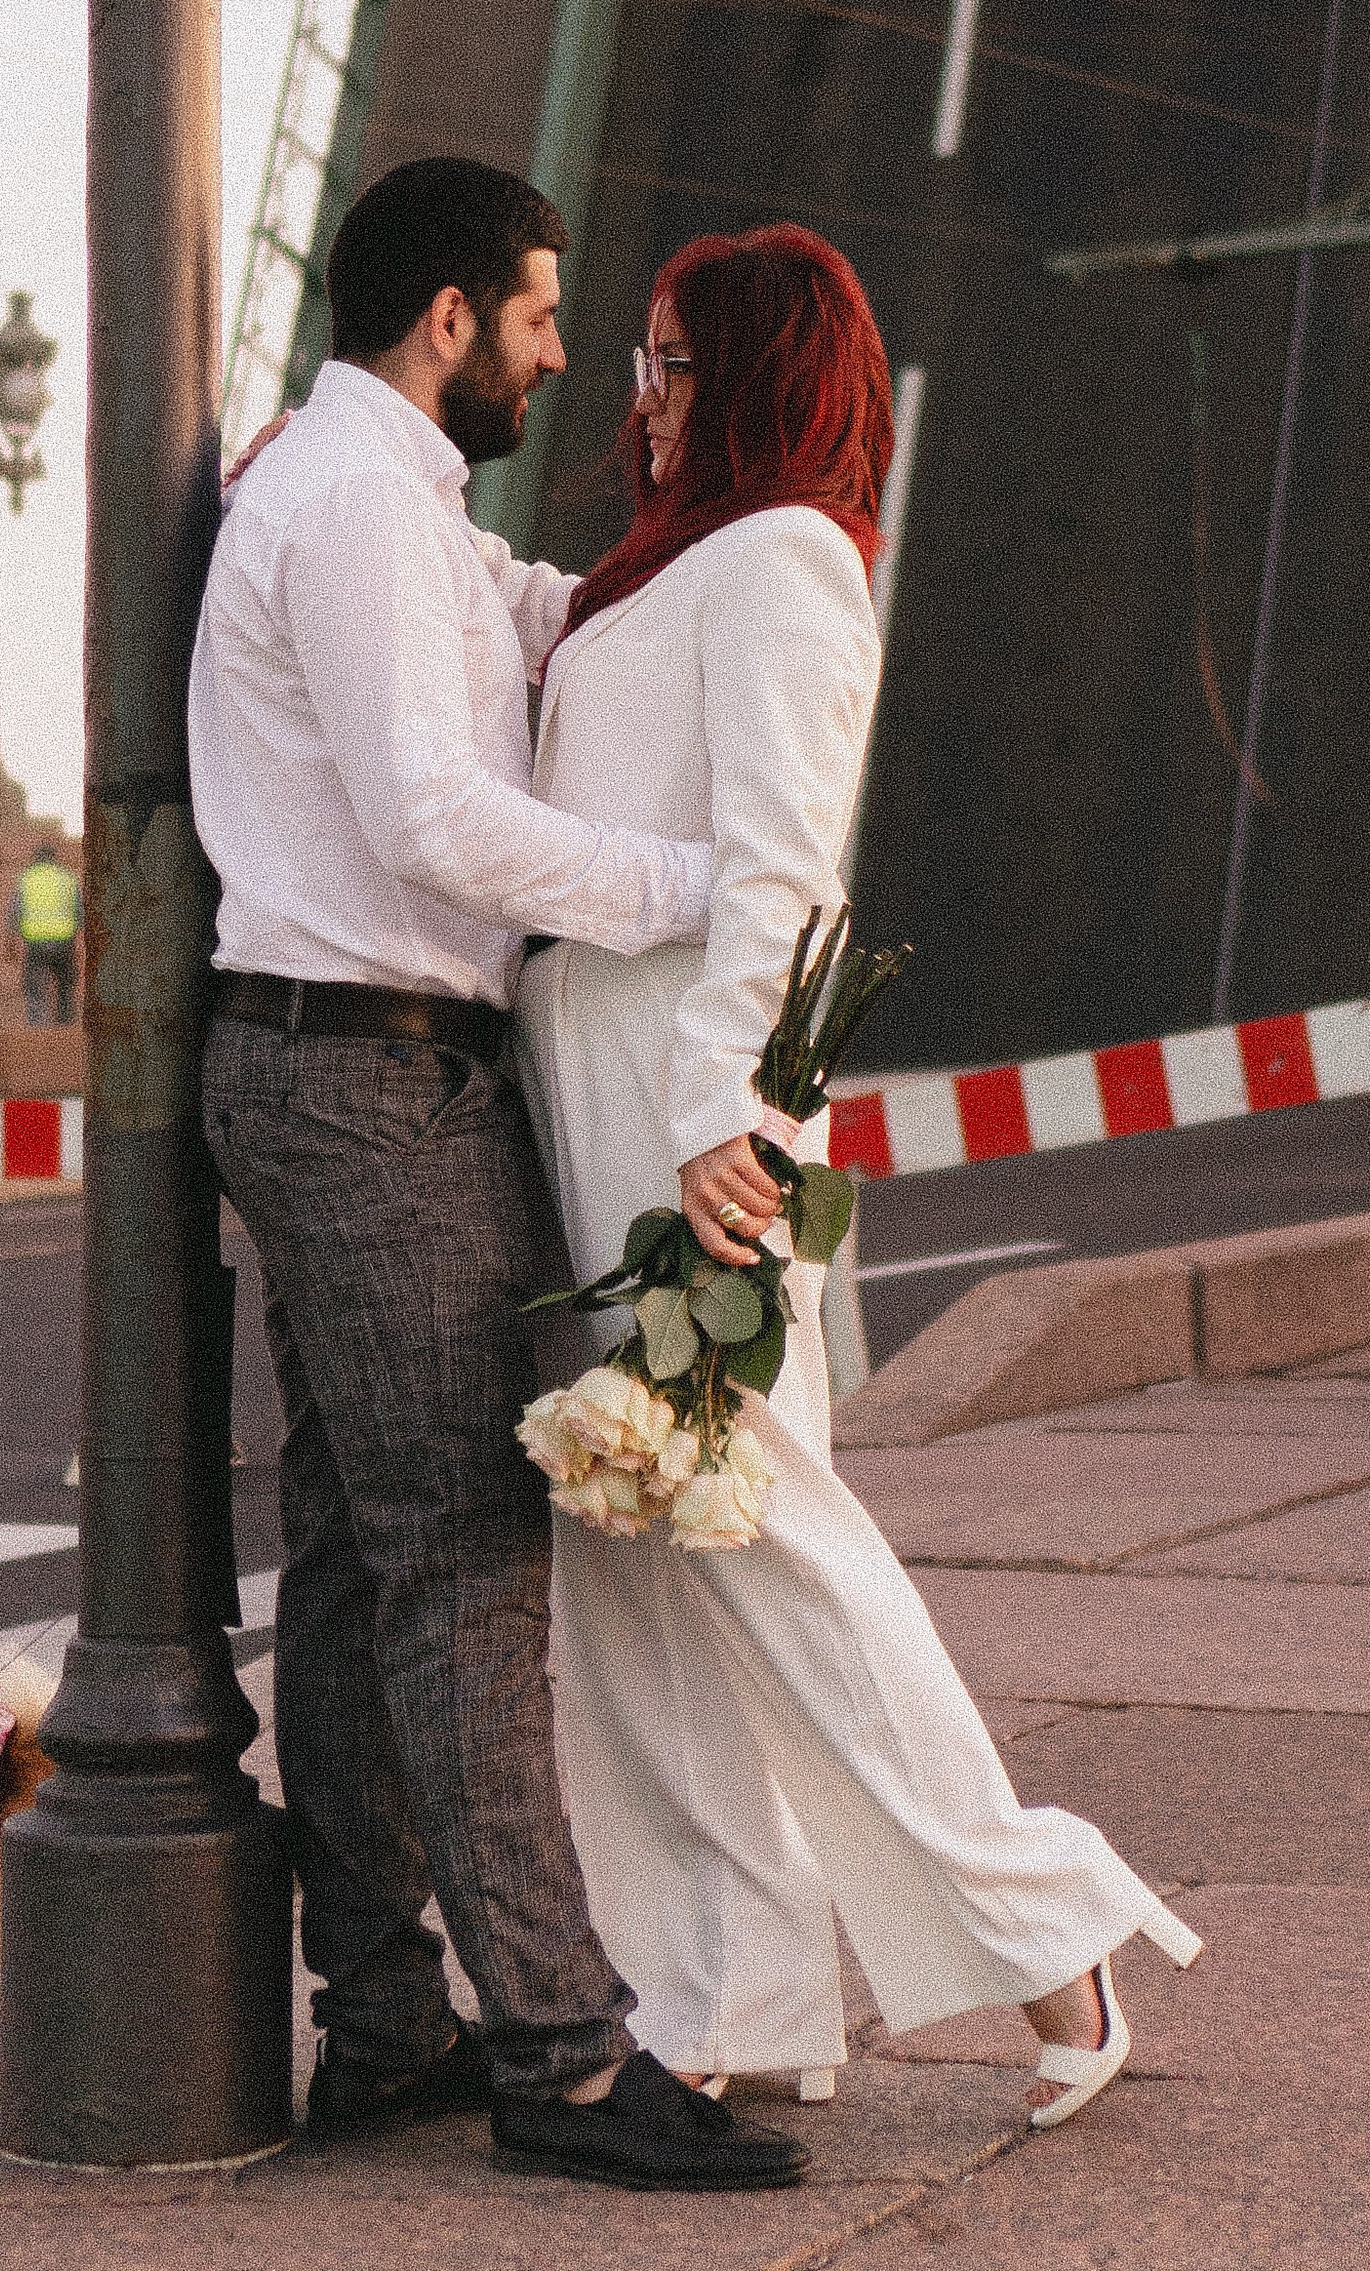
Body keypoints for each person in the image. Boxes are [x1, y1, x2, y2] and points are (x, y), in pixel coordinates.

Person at [514, 223, 1199, 2128]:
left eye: (668, 365)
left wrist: (724, 1099)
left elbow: (787, 862)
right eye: (635, 364)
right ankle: (726, 1993)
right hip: (603, 1084)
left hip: (690, 1103)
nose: (636, 402)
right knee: (636, 1549)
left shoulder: (788, 561)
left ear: (749, 375)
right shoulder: (653, 576)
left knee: (766, 1529)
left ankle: (1047, 1929)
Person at [190, 156, 805, 2194]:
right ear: (448, 317)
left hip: (349, 1069)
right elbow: (433, 816)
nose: (558, 352)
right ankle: (557, 2054)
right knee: (466, 1553)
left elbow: (549, 630)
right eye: (542, 318)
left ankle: (383, 2024)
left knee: (372, 1566)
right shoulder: (355, 500)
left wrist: (684, 556)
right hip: (364, 1080)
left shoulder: (399, 505)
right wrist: (694, 889)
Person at [14, 840, 80, 1027]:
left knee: (35, 987)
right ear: (54, 859)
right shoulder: (67, 877)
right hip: (64, 941)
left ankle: (39, 1028)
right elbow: (79, 911)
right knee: (66, 986)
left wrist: (10, 939)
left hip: (35, 942)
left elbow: (15, 910)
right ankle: (65, 1027)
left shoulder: (27, 878)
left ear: (37, 858)